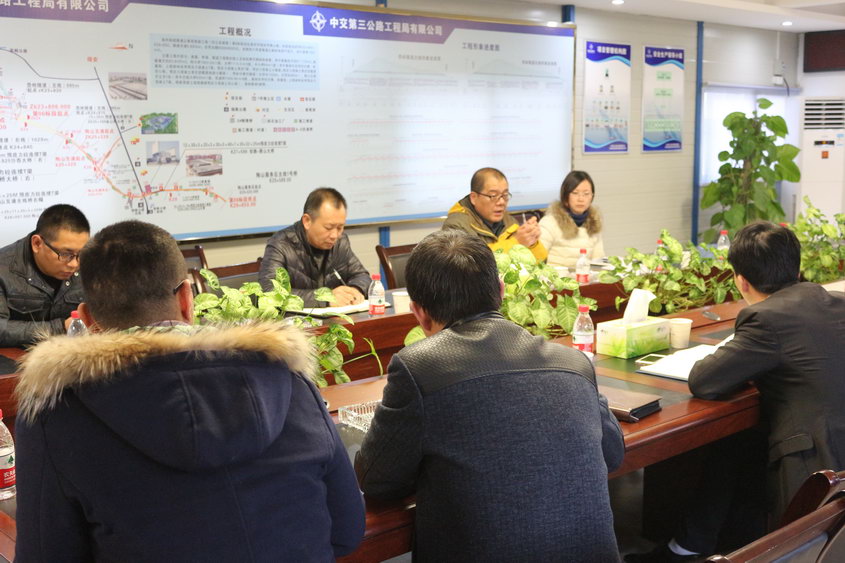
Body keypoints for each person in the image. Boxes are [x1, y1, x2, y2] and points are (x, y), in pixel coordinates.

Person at [14, 220, 365, 562]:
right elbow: (347, 531)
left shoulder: (56, 416)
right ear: (186, 298)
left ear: (88, 319)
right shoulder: (288, 380)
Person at [355, 229, 624, 562]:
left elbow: (378, 481)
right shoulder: (574, 362)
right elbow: (613, 454)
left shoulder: (419, 368)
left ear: (419, 312)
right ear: (500, 290)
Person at [627, 221, 845, 563]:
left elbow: (705, 380)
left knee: (736, 442)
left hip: (816, 464)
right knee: (734, 443)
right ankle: (691, 545)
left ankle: (696, 546)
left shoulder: (766, 317)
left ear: (741, 281)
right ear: (797, 268)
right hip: (836, 443)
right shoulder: (835, 301)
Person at [259, 187, 370, 308]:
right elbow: (269, 291)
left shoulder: (340, 242)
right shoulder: (281, 244)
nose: (335, 235)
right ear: (307, 221)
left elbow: (362, 275)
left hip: (336, 317)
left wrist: (354, 290)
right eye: (328, 227)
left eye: (340, 227)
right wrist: (325, 298)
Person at [0, 204, 89, 347]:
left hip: (76, 353)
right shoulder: (3, 268)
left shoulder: (91, 262)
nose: (74, 264)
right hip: (18, 357)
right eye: (65, 254)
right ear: (37, 243)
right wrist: (60, 327)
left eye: (81, 254)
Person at [442, 167, 548, 261]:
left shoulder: (509, 221)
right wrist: (516, 243)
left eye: (505, 195)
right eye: (493, 195)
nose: (501, 202)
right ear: (474, 198)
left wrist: (532, 241)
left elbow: (541, 263)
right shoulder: (456, 226)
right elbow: (471, 265)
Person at [539, 170, 605, 269]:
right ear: (565, 196)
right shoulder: (549, 223)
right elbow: (537, 261)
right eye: (575, 193)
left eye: (586, 194)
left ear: (592, 196)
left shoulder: (594, 224)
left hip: (585, 277)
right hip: (556, 277)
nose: (581, 199)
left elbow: (598, 262)